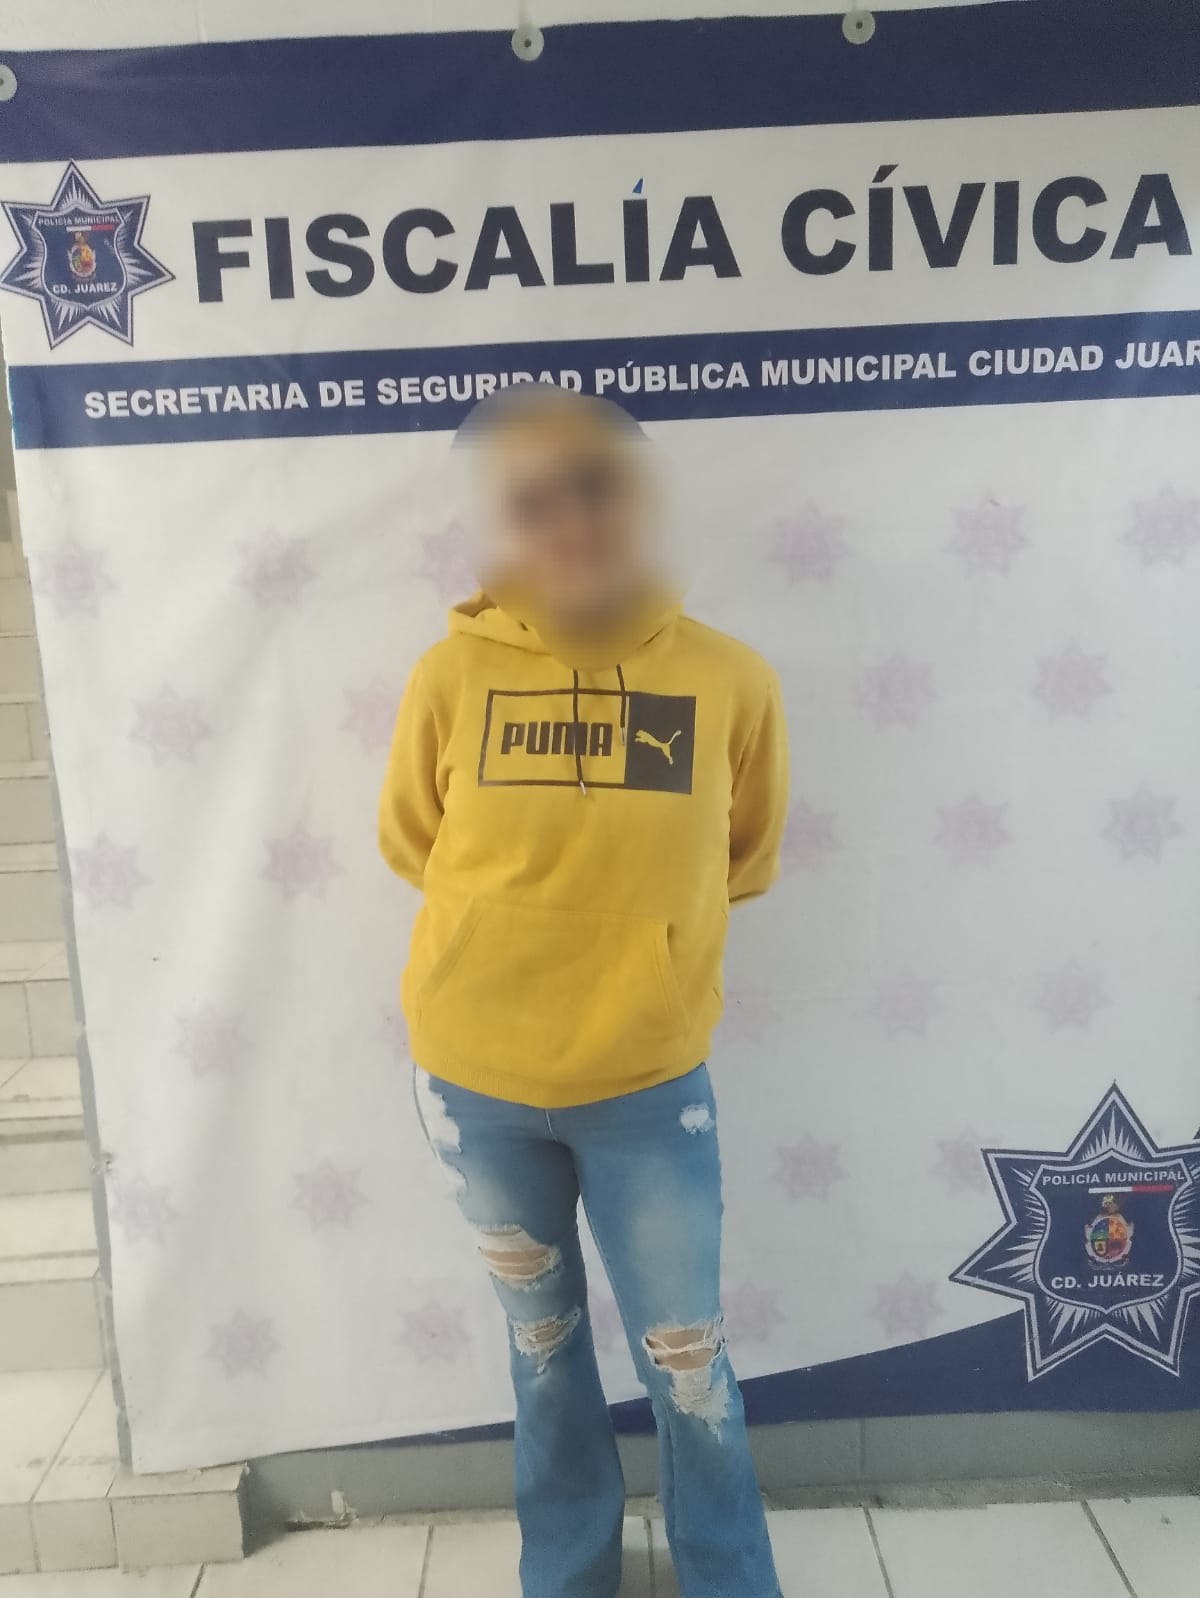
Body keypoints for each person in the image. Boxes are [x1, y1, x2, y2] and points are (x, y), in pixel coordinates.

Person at [379, 384, 788, 1598]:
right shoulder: (449, 676)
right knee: (544, 1352)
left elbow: (743, 857)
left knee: (689, 1365)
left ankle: (729, 1580)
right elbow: (413, 840)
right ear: (503, 521)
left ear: (644, 505)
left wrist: (633, 946)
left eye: (599, 488)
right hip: (476, 1091)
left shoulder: (732, 679)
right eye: (535, 499)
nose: (571, 521)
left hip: (648, 1091)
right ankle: (566, 1576)